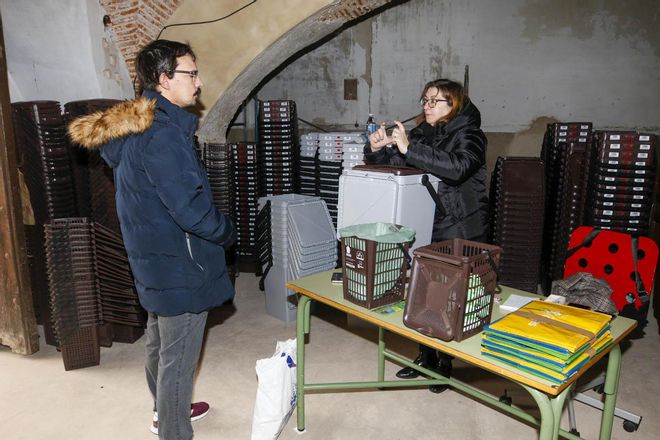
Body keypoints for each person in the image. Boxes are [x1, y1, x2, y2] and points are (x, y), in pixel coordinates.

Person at [68, 40, 236, 439]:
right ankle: (173, 429)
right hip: (180, 261)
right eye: (190, 73)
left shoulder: (139, 126)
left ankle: (165, 410)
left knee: (160, 342)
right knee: (177, 357)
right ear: (164, 79)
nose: (198, 82)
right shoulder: (162, 135)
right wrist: (226, 231)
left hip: (152, 256)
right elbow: (190, 209)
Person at [364, 78, 489, 392]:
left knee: (448, 298)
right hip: (424, 221)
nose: (427, 105)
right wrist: (377, 150)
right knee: (419, 292)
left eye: (436, 100)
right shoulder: (421, 133)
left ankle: (445, 363)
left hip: (459, 226)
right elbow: (399, 162)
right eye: (425, 99)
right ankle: (425, 356)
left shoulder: (471, 135)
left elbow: (458, 168)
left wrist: (409, 147)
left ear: (455, 104)